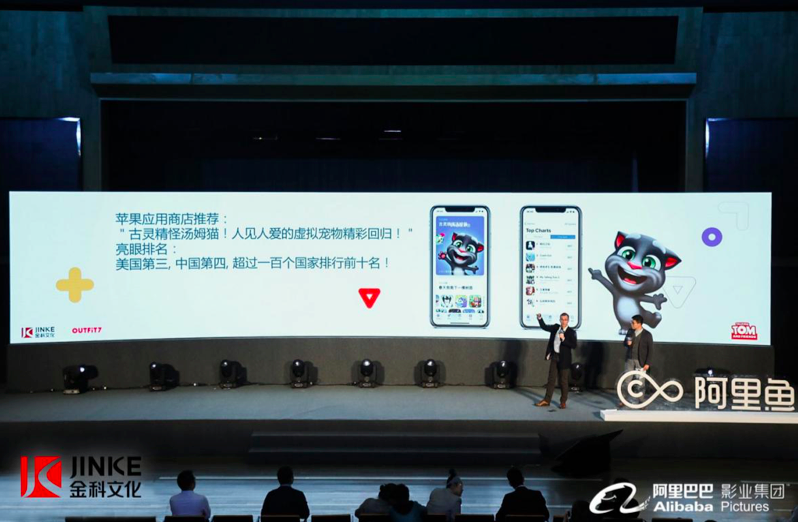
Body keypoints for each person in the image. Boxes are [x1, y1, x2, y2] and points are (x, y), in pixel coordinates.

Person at [535, 312, 577, 409]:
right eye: (562, 319)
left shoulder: (571, 332)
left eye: (565, 320)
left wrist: (564, 339)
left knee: (563, 381)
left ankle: (563, 402)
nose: (563, 321)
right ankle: (546, 400)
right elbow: (544, 327)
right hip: (555, 356)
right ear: (560, 320)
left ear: (568, 321)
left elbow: (574, 345)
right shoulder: (555, 328)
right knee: (551, 379)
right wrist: (540, 318)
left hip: (564, 359)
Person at [618, 314, 653, 408]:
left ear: (639, 324)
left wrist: (647, 363)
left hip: (640, 361)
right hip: (629, 359)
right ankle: (623, 399)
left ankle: (641, 401)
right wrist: (627, 343)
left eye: (633, 322)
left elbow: (650, 350)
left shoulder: (647, 334)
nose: (631, 324)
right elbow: (624, 343)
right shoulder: (630, 332)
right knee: (626, 380)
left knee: (640, 381)